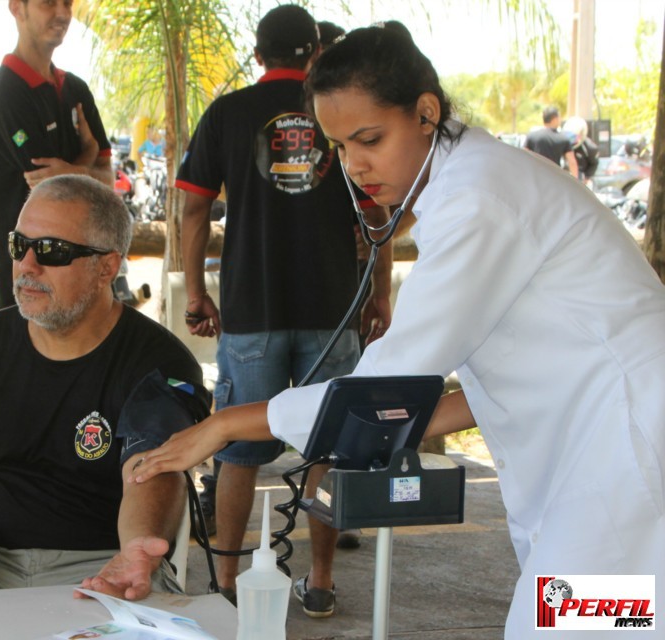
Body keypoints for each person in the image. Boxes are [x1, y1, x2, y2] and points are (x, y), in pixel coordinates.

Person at [132, 22, 665, 639]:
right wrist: (402, 421)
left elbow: (385, 384)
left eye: (370, 139)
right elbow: (493, 382)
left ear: (427, 113)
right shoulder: (472, 187)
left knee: (576, 624)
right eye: (339, 148)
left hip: (628, 454)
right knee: (599, 621)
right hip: (606, 446)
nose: (355, 167)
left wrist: (225, 423)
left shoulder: (480, 198)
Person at [0, 174, 211, 599]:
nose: (27, 265)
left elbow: (151, 473)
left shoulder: (157, 361)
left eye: (51, 251)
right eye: (18, 245)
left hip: (101, 566)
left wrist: (138, 549)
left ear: (106, 267)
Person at [174, 4, 392, 617]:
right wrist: (379, 293)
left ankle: (222, 585)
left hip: (252, 309)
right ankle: (320, 581)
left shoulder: (227, 112)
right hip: (332, 307)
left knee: (238, 449)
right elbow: (377, 213)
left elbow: (193, 209)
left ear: (257, 53)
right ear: (315, 52)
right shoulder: (338, 112)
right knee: (329, 447)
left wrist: (196, 291)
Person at [0, 0, 113, 311]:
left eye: (67, 3)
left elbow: (108, 180)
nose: (62, 13)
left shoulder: (76, 89)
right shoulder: (6, 92)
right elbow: (51, 190)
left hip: (84, 287)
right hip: (30, 283)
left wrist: (77, 170)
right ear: (17, 8)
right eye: (47, 3)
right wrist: (87, 158)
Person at [524, 105, 578, 177]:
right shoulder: (563, 139)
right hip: (555, 178)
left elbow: (524, 157)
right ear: (554, 119)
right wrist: (575, 181)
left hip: (536, 177)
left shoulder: (532, 136)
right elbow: (572, 162)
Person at [561, 116, 600, 185]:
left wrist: (587, 178)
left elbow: (594, 163)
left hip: (581, 178)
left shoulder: (589, 147)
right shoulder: (561, 143)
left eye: (573, 137)